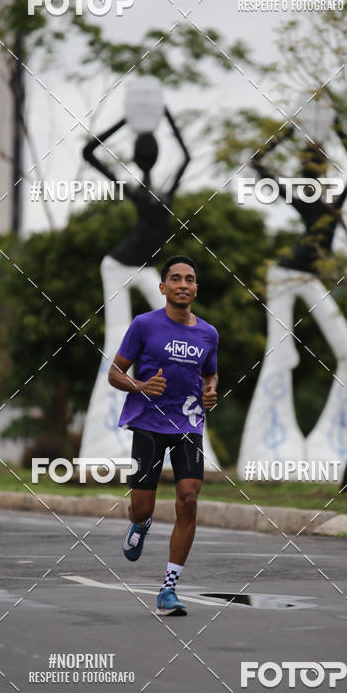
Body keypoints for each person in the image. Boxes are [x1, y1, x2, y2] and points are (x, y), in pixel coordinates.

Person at [108, 255, 219, 616]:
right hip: (149, 425)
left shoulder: (208, 334)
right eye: (175, 278)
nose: (183, 284)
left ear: (196, 288)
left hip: (188, 424)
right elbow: (114, 372)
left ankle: (168, 590)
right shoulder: (144, 325)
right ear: (163, 287)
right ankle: (140, 523)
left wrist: (210, 391)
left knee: (188, 498)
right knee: (142, 505)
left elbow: (210, 374)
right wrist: (140, 385)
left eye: (189, 278)